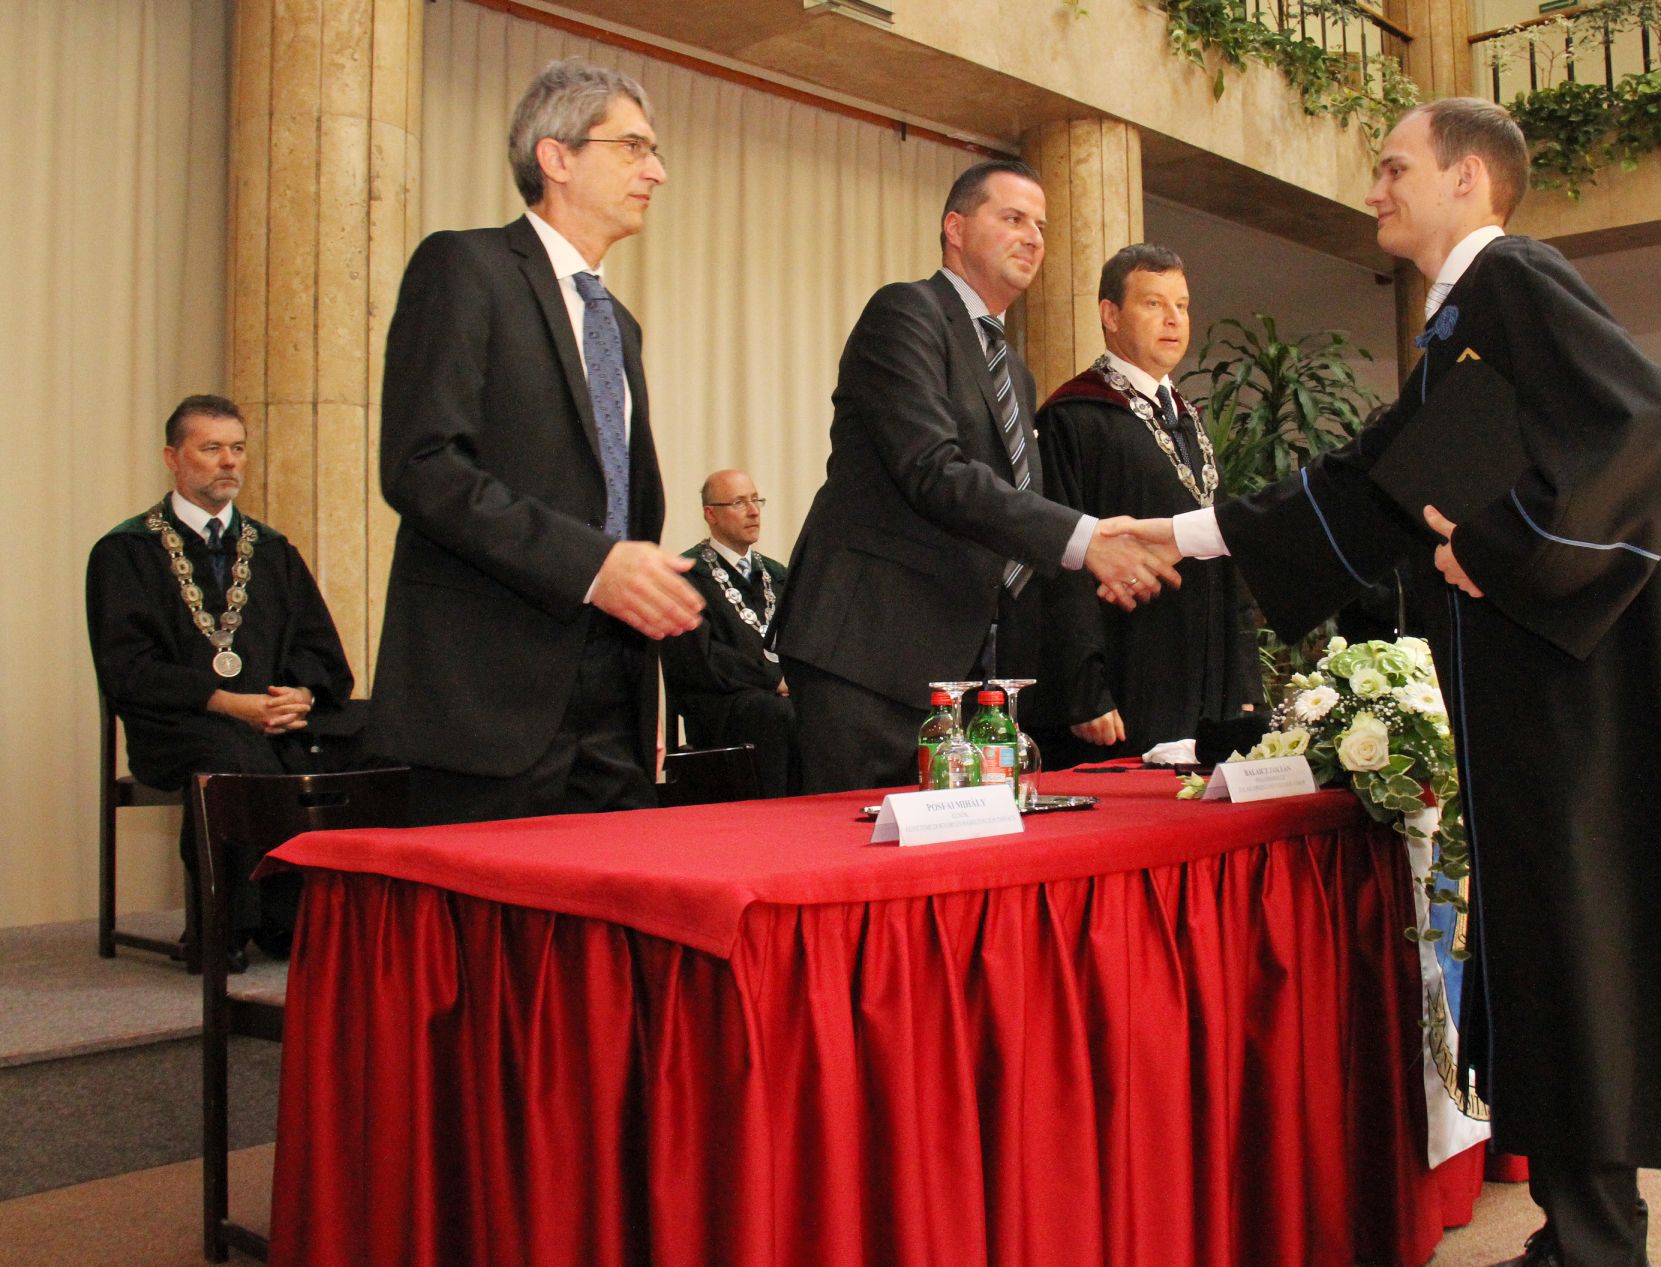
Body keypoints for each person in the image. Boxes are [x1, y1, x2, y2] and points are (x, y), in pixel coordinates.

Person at [1111, 98, 1661, 1267]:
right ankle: (1582, 1229)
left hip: (1576, 704)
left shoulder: (1517, 280)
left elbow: (1646, 427)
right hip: (1530, 701)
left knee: (1579, 954)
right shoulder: (1466, 319)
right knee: (1552, 958)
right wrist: (1179, 533)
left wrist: (1502, 546)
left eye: (1393, 166)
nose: (1374, 188)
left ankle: (1597, 1243)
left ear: (1468, 178)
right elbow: (1368, 486)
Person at [774, 159, 1180, 793]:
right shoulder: (906, 312)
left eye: (1041, 227)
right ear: (956, 228)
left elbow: (1016, 513)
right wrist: (1087, 539)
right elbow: (932, 470)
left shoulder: (1014, 369)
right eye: (1013, 218)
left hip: (964, 666)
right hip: (870, 651)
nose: (1033, 238)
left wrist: (1099, 560)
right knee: (857, 845)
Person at [367, 59, 703, 826]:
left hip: (611, 699)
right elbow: (422, 466)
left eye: (653, 151)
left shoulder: (619, 325)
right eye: (632, 147)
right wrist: (591, 566)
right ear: (556, 157)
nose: (656, 171)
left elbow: (619, 505)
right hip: (486, 698)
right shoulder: (465, 267)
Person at [86, 395, 354, 968]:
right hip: (179, 725)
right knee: (230, 752)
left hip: (273, 723)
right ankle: (224, 927)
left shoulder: (273, 551)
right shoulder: (125, 552)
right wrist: (228, 703)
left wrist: (301, 694)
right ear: (173, 458)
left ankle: (309, 922)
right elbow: (127, 668)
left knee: (373, 738)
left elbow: (321, 651)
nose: (229, 461)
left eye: (237, 448)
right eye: (211, 448)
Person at [1029, 244, 1260, 767]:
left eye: (1182, 305)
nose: (1173, 319)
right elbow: (1055, 560)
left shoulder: (1187, 417)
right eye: (1154, 304)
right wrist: (1082, 689)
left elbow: (1224, 545)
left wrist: (1243, 680)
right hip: (1125, 673)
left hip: (1203, 677)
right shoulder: (1073, 416)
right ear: (1110, 315)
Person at [663, 470, 795, 796]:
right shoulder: (686, 574)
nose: (753, 511)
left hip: (774, 698)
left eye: (756, 500)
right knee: (778, 714)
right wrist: (773, 679)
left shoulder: (777, 574)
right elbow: (701, 658)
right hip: (720, 704)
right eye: (739, 503)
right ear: (711, 514)